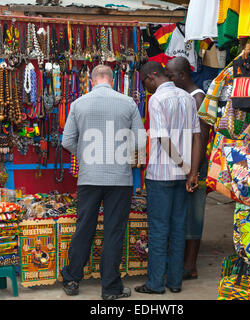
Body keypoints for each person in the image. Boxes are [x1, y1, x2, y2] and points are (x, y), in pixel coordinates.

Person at [61, 64, 146, 300]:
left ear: (91, 79)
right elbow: (139, 140)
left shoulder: (79, 103)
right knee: (114, 231)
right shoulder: (128, 102)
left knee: (84, 226)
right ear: (112, 79)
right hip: (119, 178)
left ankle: (71, 278)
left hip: (89, 176)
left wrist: (87, 153)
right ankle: (110, 288)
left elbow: (67, 141)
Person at [135, 61, 202, 295]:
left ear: (151, 77)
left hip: (161, 175)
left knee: (158, 230)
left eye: (145, 84)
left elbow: (162, 139)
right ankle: (174, 282)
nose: (146, 89)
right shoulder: (187, 97)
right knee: (177, 229)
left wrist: (185, 167)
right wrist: (191, 172)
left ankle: (155, 284)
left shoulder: (156, 100)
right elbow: (197, 137)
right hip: (183, 177)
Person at [165, 56, 210, 280]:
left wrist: (194, 171)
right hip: (188, 163)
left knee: (194, 215)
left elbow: (201, 136)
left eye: (171, 76)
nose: (168, 80)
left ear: (181, 76)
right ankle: (184, 261)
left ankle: (190, 265)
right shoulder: (187, 97)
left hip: (196, 165)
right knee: (185, 213)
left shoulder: (198, 98)